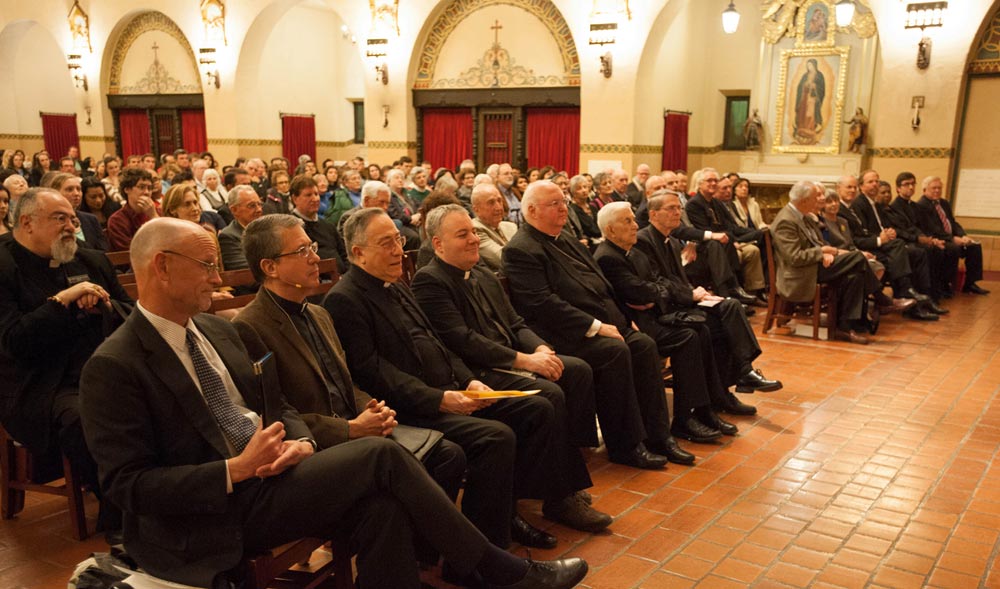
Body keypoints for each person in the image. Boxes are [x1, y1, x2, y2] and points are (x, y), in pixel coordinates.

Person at [79, 217, 587, 589]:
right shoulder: (115, 364)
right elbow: (127, 487)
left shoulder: (215, 330)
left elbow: (275, 403)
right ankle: (498, 570)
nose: (217, 277)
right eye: (207, 265)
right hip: (212, 511)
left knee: (383, 507)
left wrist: (296, 441)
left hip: (271, 476)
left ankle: (478, 566)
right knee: (382, 456)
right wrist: (234, 469)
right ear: (162, 267)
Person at [325, 208, 577, 552]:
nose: (399, 250)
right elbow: (374, 373)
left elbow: (439, 343)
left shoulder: (396, 285)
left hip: (447, 390)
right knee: (496, 436)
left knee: (535, 408)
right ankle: (486, 545)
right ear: (358, 253)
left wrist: (469, 381)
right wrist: (439, 398)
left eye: (398, 240)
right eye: (387, 244)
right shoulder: (345, 298)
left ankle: (510, 513)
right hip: (410, 408)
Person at [412, 205, 612, 533]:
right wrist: (525, 360)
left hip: (508, 358)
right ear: (438, 244)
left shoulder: (481, 273)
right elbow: (462, 340)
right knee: (548, 395)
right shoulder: (429, 281)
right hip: (479, 370)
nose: (474, 240)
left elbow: (515, 322)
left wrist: (539, 347)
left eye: (473, 232)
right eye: (463, 235)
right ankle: (555, 497)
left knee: (574, 370)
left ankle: (562, 478)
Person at [502, 181, 693, 467]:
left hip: (600, 324)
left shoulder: (562, 235)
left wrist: (625, 319)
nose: (563, 208)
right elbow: (542, 304)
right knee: (615, 351)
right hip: (562, 333)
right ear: (531, 210)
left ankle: (658, 435)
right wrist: (595, 326)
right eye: (554, 203)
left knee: (643, 344)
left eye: (563, 201)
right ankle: (625, 445)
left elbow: (600, 282)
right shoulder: (521, 249)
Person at [1, 188, 131, 539]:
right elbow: (14, 342)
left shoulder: (90, 260)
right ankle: (121, 516)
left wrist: (102, 304)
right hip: (39, 384)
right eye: (60, 218)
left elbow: (131, 315)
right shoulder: (3, 265)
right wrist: (62, 301)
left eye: (73, 218)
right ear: (26, 222)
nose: (71, 226)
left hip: (101, 369)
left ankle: (157, 493)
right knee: (85, 416)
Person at [594, 202, 757, 437]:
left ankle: (705, 408)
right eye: (627, 221)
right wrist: (654, 292)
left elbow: (656, 285)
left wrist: (654, 292)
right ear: (610, 230)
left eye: (633, 219)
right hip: (638, 324)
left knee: (704, 330)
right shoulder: (608, 257)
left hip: (654, 314)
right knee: (689, 336)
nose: (635, 226)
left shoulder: (632, 251)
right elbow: (641, 292)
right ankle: (685, 417)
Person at [634, 193, 782, 405]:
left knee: (731, 306)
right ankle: (730, 385)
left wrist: (698, 292)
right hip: (665, 310)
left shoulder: (673, 241)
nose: (677, 212)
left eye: (679, 208)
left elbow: (677, 279)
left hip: (681, 300)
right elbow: (657, 283)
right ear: (653, 214)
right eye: (670, 209)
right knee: (721, 328)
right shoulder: (643, 240)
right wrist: (691, 295)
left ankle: (738, 376)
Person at [771, 181, 874, 344]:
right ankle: (880, 297)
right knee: (858, 257)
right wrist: (822, 252)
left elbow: (817, 242)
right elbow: (794, 257)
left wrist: (824, 252)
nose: (820, 200)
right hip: (800, 275)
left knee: (855, 275)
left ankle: (843, 328)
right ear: (804, 200)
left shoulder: (804, 216)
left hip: (815, 267)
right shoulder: (786, 221)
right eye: (815, 197)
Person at [885, 172, 957, 302]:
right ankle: (924, 293)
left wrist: (931, 239)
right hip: (906, 241)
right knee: (925, 251)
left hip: (919, 238)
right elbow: (903, 229)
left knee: (939, 250)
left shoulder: (915, 206)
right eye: (906, 184)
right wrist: (922, 239)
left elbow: (924, 227)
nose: (911, 187)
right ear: (898, 188)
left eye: (913, 184)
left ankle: (935, 291)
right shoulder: (895, 207)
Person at [914, 176, 989, 296]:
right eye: (934, 188)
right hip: (938, 238)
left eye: (939, 188)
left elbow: (952, 223)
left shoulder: (944, 203)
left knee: (974, 246)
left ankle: (970, 284)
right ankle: (945, 284)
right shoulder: (921, 205)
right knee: (952, 249)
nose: (937, 191)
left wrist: (963, 235)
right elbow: (932, 228)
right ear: (924, 190)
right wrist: (952, 239)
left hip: (952, 236)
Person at [288, 174, 349, 274]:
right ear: (295, 199)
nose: (315, 199)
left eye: (316, 194)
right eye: (308, 195)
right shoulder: (291, 228)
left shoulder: (328, 226)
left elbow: (344, 254)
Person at [106, 167, 157, 251]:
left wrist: (154, 216)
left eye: (149, 188)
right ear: (127, 189)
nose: (147, 192)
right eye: (141, 187)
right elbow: (131, 252)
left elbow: (168, 242)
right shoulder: (117, 220)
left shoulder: (157, 212)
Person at [471, 183, 519, 272]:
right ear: (476, 209)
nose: (499, 207)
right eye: (491, 202)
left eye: (499, 201)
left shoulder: (511, 227)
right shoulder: (474, 229)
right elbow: (503, 259)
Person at [218, 185, 264, 271]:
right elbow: (244, 271)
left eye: (259, 204)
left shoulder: (267, 229)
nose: (259, 209)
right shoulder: (228, 236)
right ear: (234, 210)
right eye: (252, 206)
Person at [794, 59, 825, 144]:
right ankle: (802, 127)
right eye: (808, 65)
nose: (809, 67)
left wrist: (815, 86)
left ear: (814, 65)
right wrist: (805, 85)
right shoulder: (805, 75)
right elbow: (799, 87)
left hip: (813, 98)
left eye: (810, 65)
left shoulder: (819, 75)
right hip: (804, 97)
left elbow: (822, 88)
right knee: (803, 112)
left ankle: (810, 128)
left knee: (810, 113)